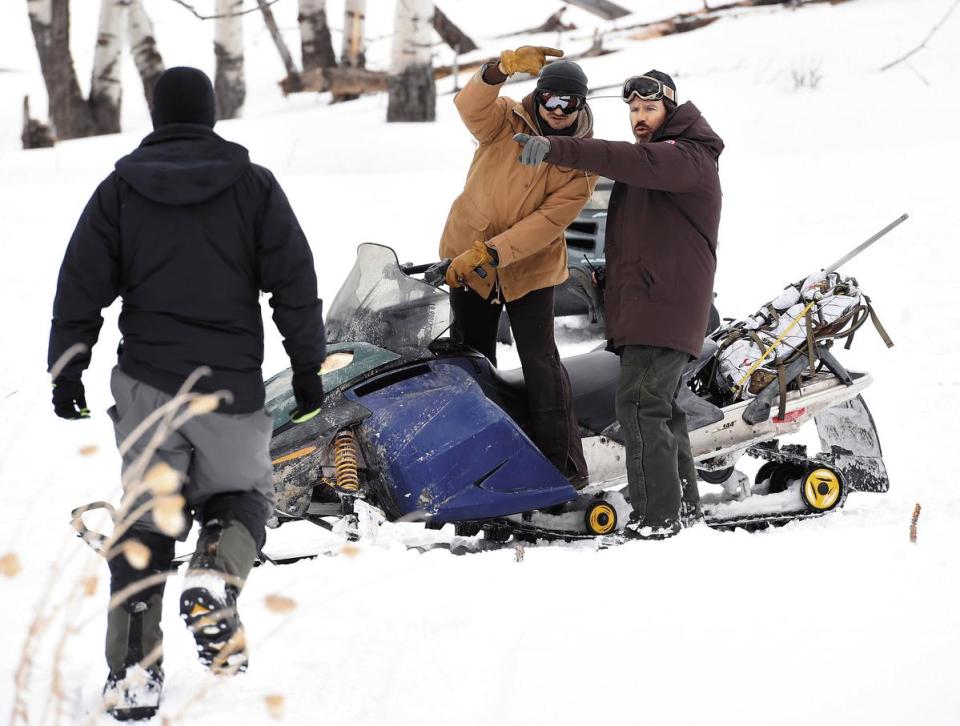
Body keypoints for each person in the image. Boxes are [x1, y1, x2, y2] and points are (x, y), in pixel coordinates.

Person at [47, 67, 326, 719]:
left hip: (148, 386)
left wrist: (67, 369)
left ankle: (133, 678)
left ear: (155, 114)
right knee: (242, 496)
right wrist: (308, 366)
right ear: (209, 113)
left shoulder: (120, 192)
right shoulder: (254, 187)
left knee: (147, 517)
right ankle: (214, 579)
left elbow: (80, 284)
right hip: (229, 384)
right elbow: (294, 282)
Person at [514, 70, 724, 539]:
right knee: (661, 409)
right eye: (633, 110)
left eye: (649, 109)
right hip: (651, 306)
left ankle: (656, 520)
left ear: (671, 109)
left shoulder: (686, 156)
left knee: (637, 406)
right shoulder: (664, 162)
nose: (639, 118)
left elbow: (620, 156)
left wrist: (557, 147)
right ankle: (682, 512)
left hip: (663, 308)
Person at [440, 46, 597, 486]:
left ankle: (563, 469)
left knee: (540, 361)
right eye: (550, 99)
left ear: (581, 105)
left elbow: (547, 222)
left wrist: (492, 252)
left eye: (569, 103)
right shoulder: (505, 120)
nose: (558, 110)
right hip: (467, 258)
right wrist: (499, 68)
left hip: (531, 266)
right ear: (538, 97)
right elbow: (467, 105)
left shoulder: (582, 161)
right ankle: (477, 462)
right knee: (470, 359)